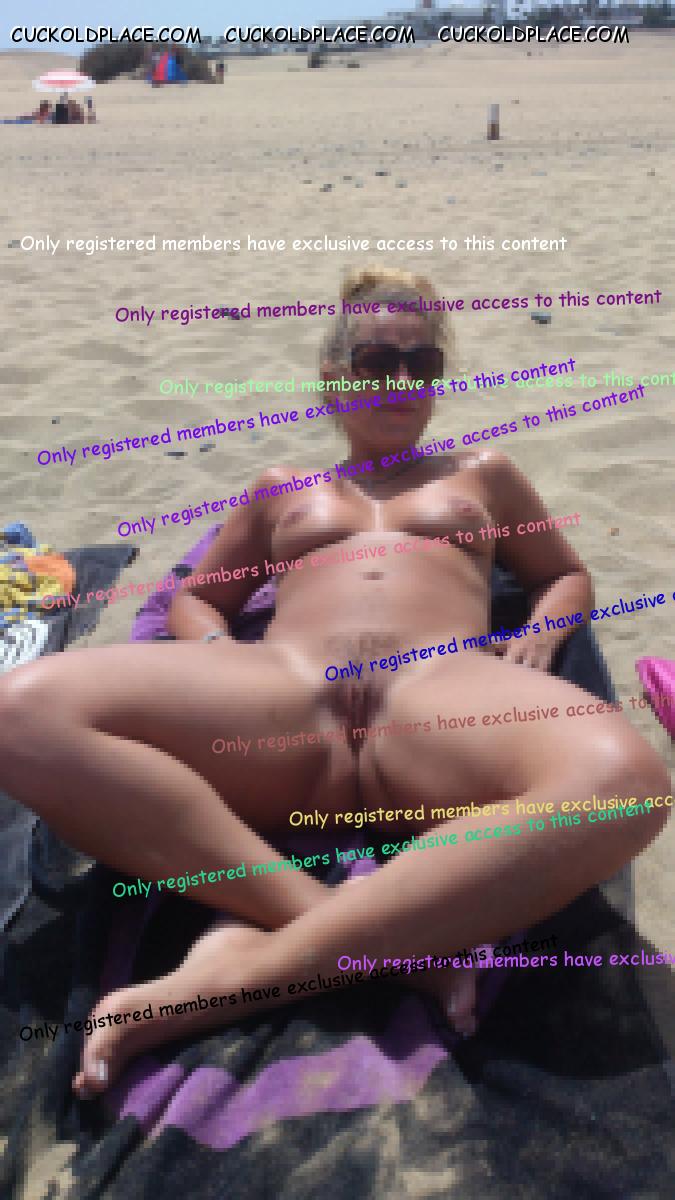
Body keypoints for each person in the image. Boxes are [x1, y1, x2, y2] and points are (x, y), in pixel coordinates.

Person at [0, 266, 668, 1098]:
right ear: (333, 375)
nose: (400, 380)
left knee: (625, 780)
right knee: (19, 710)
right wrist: (214, 647)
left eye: (421, 363)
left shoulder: (484, 475)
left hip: (434, 696)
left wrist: (542, 629)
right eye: (376, 359)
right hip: (284, 695)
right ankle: (353, 938)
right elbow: (199, 598)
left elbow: (563, 574)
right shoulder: (282, 490)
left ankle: (255, 969)